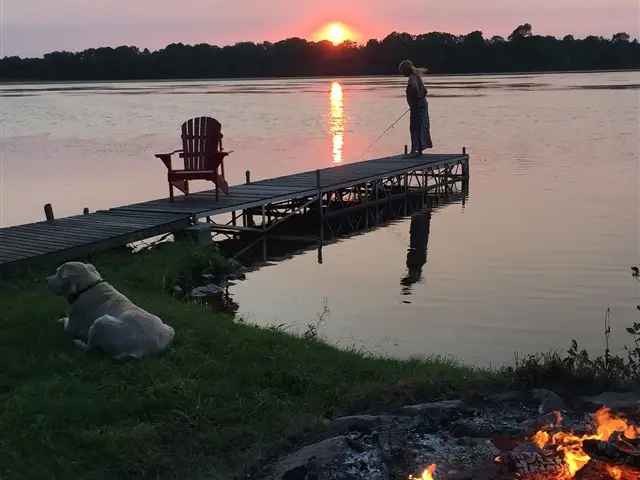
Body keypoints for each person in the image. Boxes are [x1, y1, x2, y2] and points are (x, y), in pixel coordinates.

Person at [399, 59, 433, 156]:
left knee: (415, 127)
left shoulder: (412, 79)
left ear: (405, 70)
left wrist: (415, 102)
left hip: (417, 107)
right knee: (420, 126)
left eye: (402, 71)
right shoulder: (416, 77)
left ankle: (414, 150)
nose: (402, 74)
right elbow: (425, 91)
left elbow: (417, 92)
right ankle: (419, 150)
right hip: (420, 105)